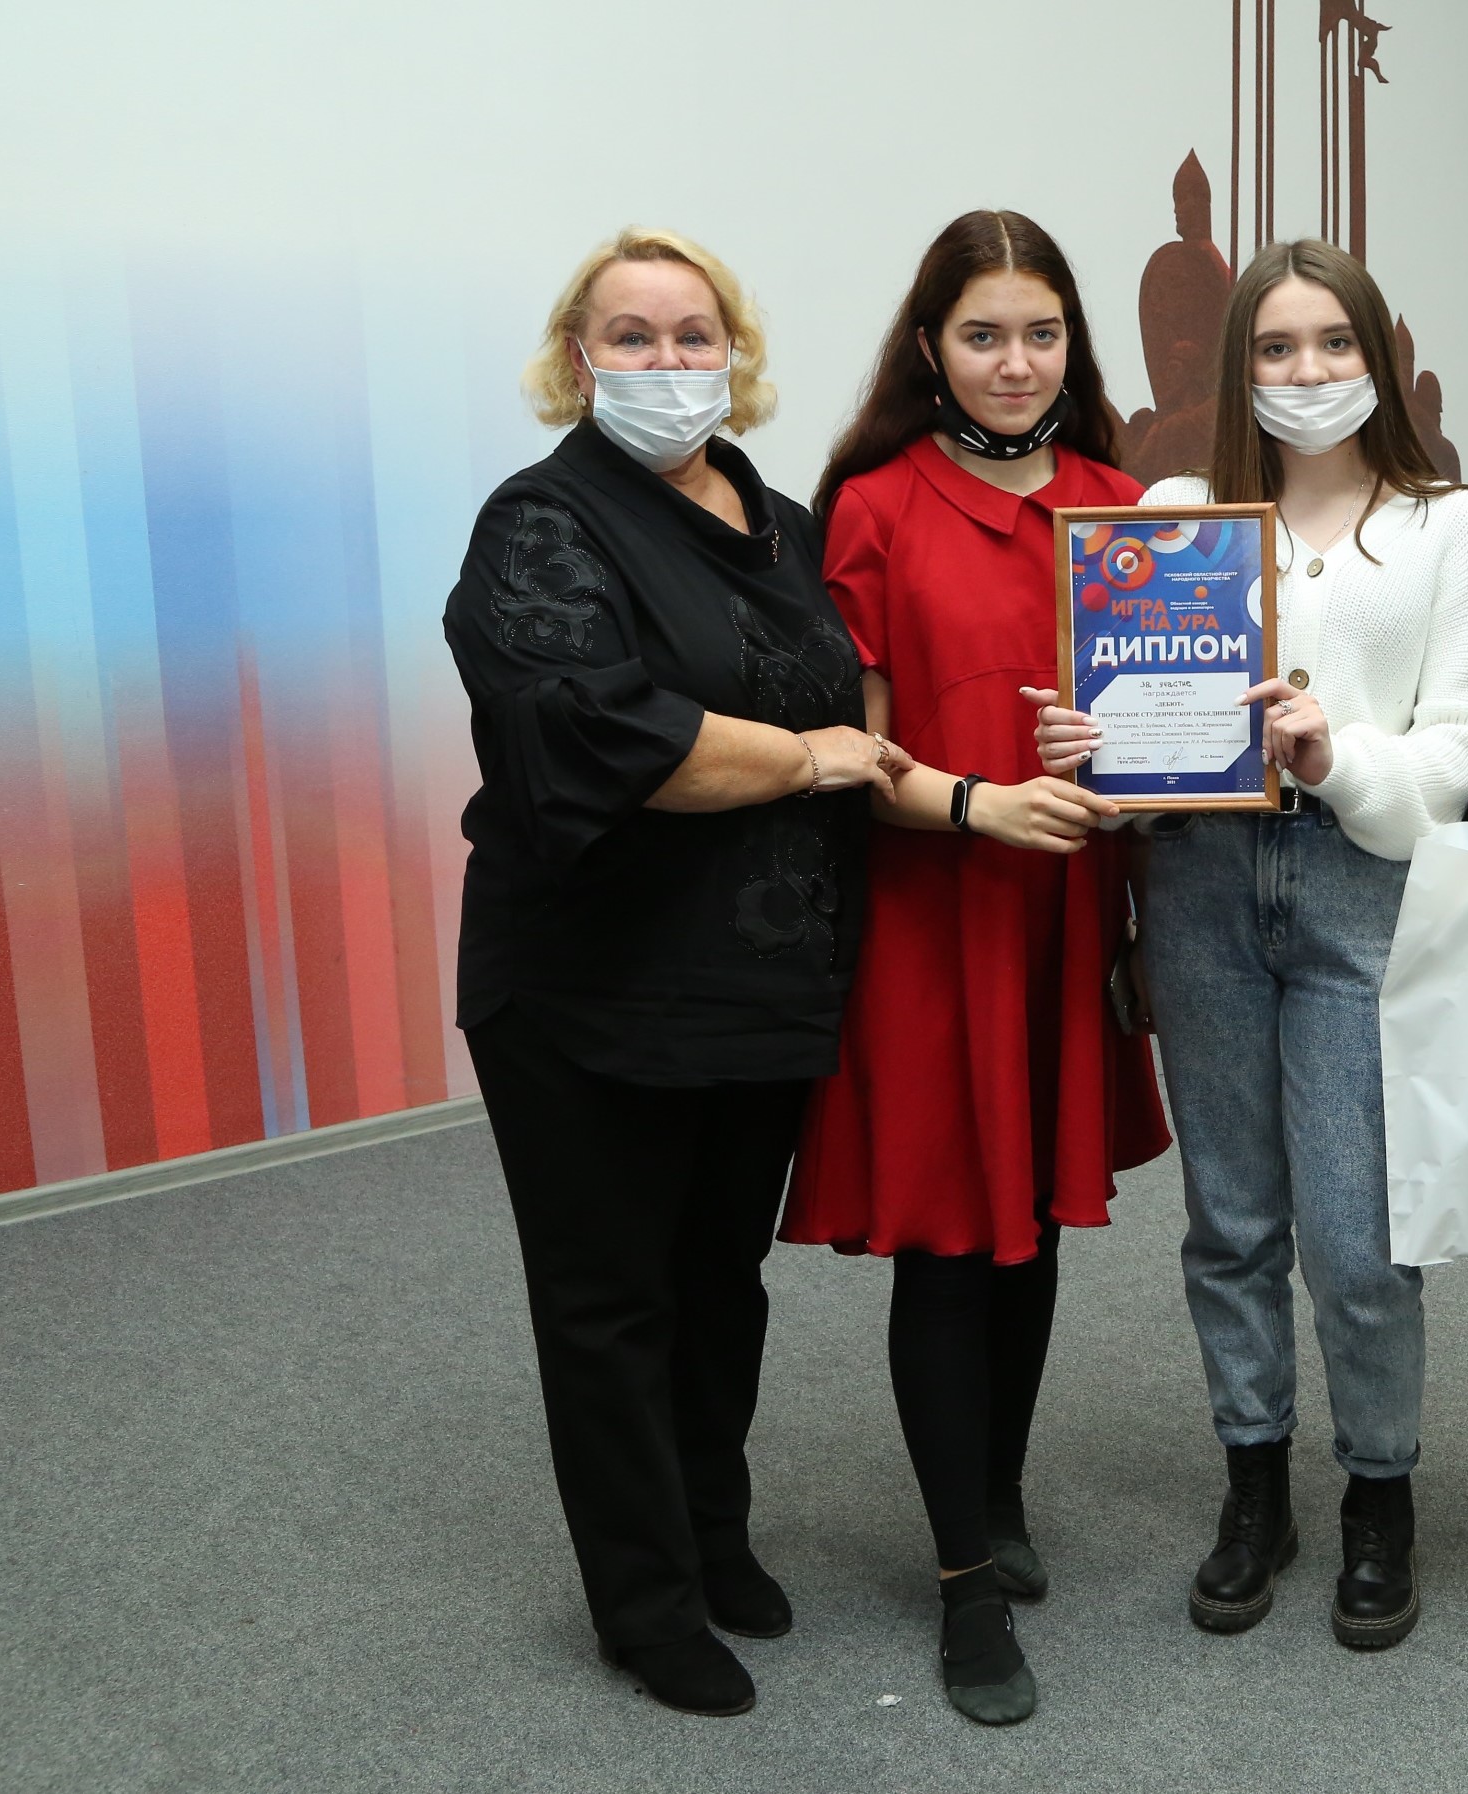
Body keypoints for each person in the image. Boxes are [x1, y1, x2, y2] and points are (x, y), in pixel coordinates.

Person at [444, 228, 904, 1719]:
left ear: (734, 353)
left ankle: (714, 1535)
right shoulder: (539, 524)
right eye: (630, 337)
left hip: (756, 982)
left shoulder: (778, 521)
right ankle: (644, 1604)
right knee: (611, 1301)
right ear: (577, 360)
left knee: (720, 1283)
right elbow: (609, 736)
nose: (665, 362)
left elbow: (855, 701)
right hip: (590, 984)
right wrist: (808, 757)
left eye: (692, 334)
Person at [1036, 239, 1468, 1651]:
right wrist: (1093, 746)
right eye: (1275, 348)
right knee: (1231, 1218)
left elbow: (1458, 750)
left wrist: (1334, 752)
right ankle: (1255, 1486)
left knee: (1357, 1238)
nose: (1306, 372)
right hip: (1198, 886)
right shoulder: (1175, 512)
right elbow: (1137, 729)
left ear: (1376, 356)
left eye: (1332, 343)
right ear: (1236, 365)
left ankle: (1378, 1493)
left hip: (1359, 881)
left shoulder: (1444, 522)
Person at [782, 210, 1171, 1726]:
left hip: (1067, 917)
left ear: (1074, 344)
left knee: (1034, 1222)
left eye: (1041, 333)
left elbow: (1165, 733)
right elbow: (855, 753)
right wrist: (978, 805)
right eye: (983, 334)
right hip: (935, 917)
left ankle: (996, 1494)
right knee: (952, 1242)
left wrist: (1140, 778)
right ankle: (961, 1587)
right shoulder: (872, 508)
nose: (1015, 363)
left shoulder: (1122, 506)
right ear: (929, 346)